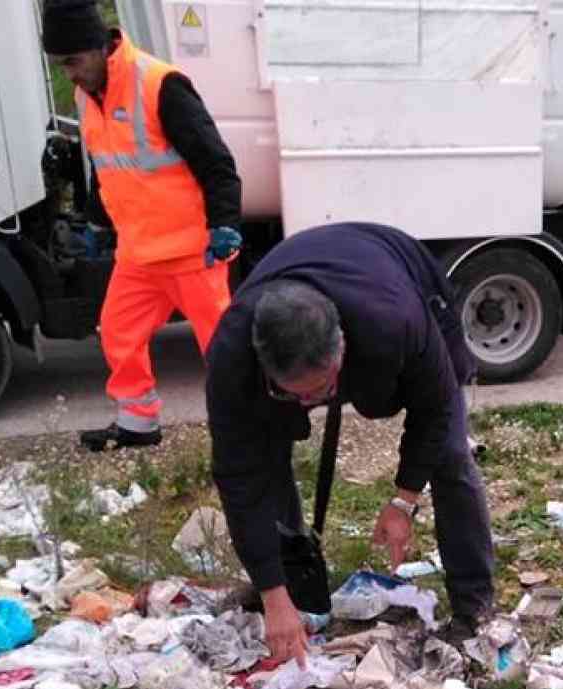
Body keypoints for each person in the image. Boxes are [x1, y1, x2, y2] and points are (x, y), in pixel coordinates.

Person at [205, 223, 494, 666]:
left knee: (451, 454)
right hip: (310, 300)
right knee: (266, 447)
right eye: (293, 394)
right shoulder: (232, 356)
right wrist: (271, 593)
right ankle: (292, 586)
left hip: (399, 271)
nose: (310, 404)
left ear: (341, 350)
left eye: (321, 389)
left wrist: (404, 500)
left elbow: (433, 411)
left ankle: (475, 603)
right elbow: (240, 476)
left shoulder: (394, 322)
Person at [41, 0, 242, 452]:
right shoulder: (85, 96)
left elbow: (217, 163)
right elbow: (111, 167)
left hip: (193, 252)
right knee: (117, 331)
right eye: (60, 65)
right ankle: (137, 424)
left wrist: (225, 225)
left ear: (98, 48)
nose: (68, 73)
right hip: (139, 254)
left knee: (224, 347)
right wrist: (93, 220)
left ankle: (245, 425)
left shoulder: (159, 85)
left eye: (72, 61)